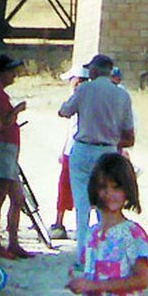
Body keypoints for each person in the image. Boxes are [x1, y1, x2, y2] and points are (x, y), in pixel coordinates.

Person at [65, 153, 148, 296]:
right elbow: (90, 268)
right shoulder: (92, 234)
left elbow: (141, 279)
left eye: (116, 187)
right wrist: (78, 277)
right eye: (103, 187)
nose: (109, 193)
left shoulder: (133, 235)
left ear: (127, 190)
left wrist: (92, 286)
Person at [58, 53, 135, 261]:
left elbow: (64, 111)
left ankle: (83, 256)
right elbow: (129, 134)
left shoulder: (84, 90)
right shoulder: (122, 95)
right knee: (106, 204)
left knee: (82, 206)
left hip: (84, 149)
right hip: (108, 151)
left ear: (93, 71)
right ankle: (105, 254)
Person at [0, 53, 31, 259]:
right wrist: (17, 110)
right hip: (1, 149)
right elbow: (2, 123)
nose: (14, 75)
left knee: (17, 198)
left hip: (7, 151)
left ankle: (13, 242)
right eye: (11, 71)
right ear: (1, 72)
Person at [50, 65, 87, 241]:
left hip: (74, 149)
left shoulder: (77, 97)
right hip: (83, 147)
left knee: (65, 187)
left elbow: (63, 112)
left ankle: (59, 223)